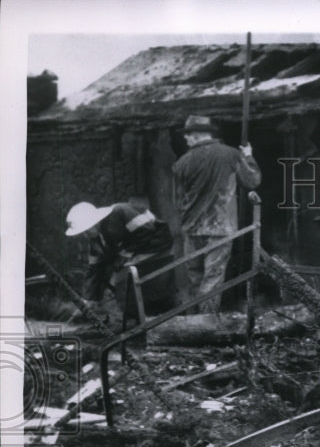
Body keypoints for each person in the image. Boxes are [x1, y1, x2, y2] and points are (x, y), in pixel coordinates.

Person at [172, 114, 261, 313]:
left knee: (195, 277)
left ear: (197, 135)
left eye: (188, 135)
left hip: (192, 229)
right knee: (212, 278)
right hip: (220, 228)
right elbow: (252, 181)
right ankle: (206, 324)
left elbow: (177, 201)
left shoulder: (182, 162)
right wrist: (247, 155)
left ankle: (195, 324)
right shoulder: (230, 155)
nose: (186, 139)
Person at [64, 200, 176, 320]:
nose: (85, 235)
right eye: (82, 232)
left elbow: (147, 229)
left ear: (94, 223)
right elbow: (94, 269)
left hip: (155, 242)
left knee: (123, 278)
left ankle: (133, 316)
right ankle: (129, 315)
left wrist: (125, 254)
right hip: (136, 249)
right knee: (115, 275)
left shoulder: (120, 212)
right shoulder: (95, 239)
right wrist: (88, 300)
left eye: (86, 230)